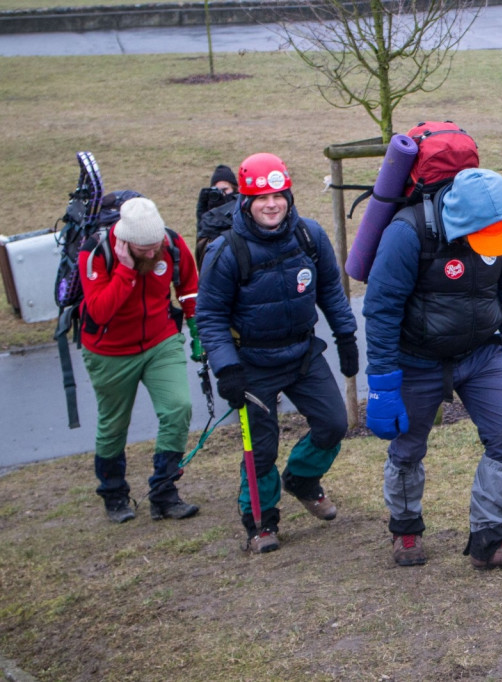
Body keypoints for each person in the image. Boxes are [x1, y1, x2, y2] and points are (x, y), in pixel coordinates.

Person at [362, 167, 502, 571]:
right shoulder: (407, 234)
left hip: (481, 353)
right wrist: (383, 384)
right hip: (416, 358)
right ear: (457, 220)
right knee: (408, 447)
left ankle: (489, 540)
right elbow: (381, 309)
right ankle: (405, 528)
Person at [195, 152, 359, 554]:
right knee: (261, 448)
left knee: (334, 423)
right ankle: (261, 522)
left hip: (303, 353)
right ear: (245, 202)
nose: (271, 204)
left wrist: (346, 338)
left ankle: (302, 479)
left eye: (278, 195)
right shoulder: (226, 251)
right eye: (260, 197)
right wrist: (227, 369)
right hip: (252, 365)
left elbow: (332, 294)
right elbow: (210, 316)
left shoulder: (309, 235)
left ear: (288, 195)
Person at [80, 196, 203, 523]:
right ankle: (114, 494)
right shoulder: (96, 254)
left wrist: (196, 329)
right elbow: (100, 310)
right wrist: (126, 270)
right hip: (109, 351)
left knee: (178, 407)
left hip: (160, 339)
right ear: (126, 242)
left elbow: (188, 285)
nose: (152, 253)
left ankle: (164, 493)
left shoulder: (170, 244)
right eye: (144, 249)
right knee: (114, 424)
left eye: (156, 246)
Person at [194, 164, 239, 272]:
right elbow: (202, 240)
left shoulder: (240, 207)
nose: (222, 194)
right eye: (217, 191)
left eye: (225, 189)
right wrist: (203, 211)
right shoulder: (210, 211)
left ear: (234, 188)